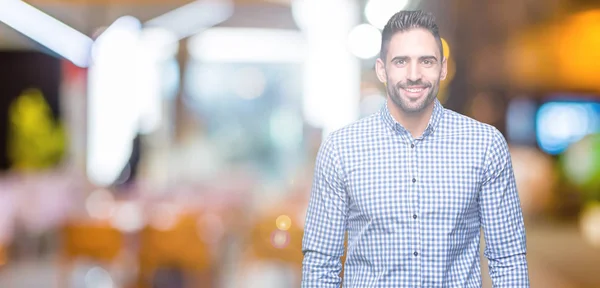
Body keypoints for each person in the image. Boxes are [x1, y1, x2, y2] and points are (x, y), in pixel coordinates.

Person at [301, 10, 529, 287]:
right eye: (400, 61)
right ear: (381, 69)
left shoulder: (485, 145)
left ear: (443, 67)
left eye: (426, 61)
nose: (413, 74)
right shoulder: (340, 150)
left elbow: (508, 257)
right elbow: (321, 262)